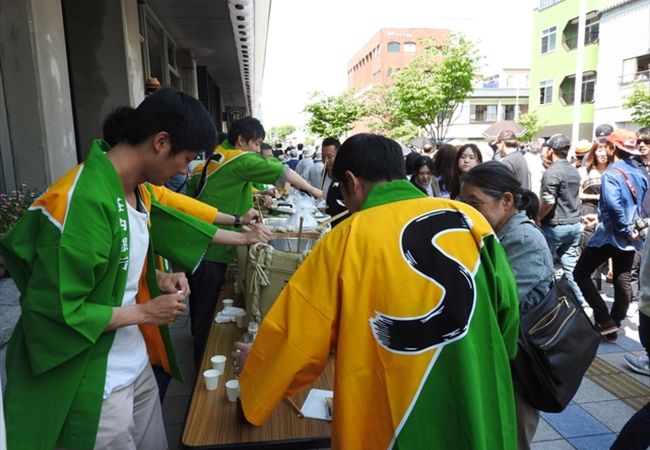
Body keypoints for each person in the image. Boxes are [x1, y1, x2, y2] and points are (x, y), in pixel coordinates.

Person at [0, 89, 267, 450]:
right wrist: (145, 310)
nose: (185, 171)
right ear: (161, 142)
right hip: (96, 380)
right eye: (186, 159)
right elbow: (59, 311)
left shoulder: (136, 190)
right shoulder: (81, 201)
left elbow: (113, 274)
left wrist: (156, 279)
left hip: (133, 362)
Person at [234, 133, 520, 449]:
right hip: (474, 393)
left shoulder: (345, 238)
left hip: (395, 417)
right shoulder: (471, 220)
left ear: (352, 181)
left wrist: (255, 383)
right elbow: (507, 313)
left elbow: (298, 337)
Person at [185, 117, 321, 365]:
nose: (258, 150)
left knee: (200, 308)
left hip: (200, 242)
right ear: (241, 141)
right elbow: (282, 170)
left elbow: (222, 190)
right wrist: (314, 191)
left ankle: (199, 351)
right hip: (213, 248)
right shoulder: (240, 158)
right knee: (206, 314)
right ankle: (202, 370)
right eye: (257, 143)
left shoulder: (217, 157)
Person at [460, 161, 554, 450]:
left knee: (512, 435)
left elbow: (497, 304)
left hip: (520, 363)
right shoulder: (498, 232)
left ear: (507, 200)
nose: (467, 212)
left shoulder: (522, 239)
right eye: (464, 203)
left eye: (474, 203)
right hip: (506, 357)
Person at [574, 129, 649, 343]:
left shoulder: (611, 174)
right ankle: (614, 325)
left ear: (612, 147)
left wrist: (624, 229)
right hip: (630, 234)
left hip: (610, 235)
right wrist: (630, 231)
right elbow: (635, 206)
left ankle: (604, 319)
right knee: (622, 279)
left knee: (581, 273)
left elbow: (616, 208)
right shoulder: (640, 173)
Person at [538, 134, 585, 305]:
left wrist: (537, 217)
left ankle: (545, 305)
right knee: (571, 268)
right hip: (574, 225)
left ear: (551, 151)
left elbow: (548, 202)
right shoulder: (574, 170)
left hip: (555, 226)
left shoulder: (552, 172)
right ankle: (583, 304)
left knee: (544, 267)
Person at [318, 137, 347, 225]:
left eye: (330, 157)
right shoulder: (323, 172)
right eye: (323, 156)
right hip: (324, 221)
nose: (325, 161)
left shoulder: (344, 177)